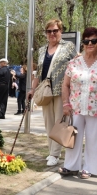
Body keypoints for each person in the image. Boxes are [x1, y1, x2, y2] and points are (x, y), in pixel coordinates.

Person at [58, 27, 97, 179]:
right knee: (73, 137)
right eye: (86, 41)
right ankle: (71, 166)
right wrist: (65, 104)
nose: (89, 44)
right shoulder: (74, 62)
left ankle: (91, 168)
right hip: (76, 107)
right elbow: (65, 85)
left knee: (95, 139)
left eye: (93, 41)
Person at [27, 19, 77, 166]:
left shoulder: (68, 46)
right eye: (49, 31)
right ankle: (51, 152)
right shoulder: (42, 50)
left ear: (61, 31)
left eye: (55, 30)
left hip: (62, 91)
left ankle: (55, 154)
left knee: (60, 123)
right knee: (48, 122)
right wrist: (32, 89)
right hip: (46, 90)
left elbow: (76, 65)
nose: (52, 34)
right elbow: (38, 73)